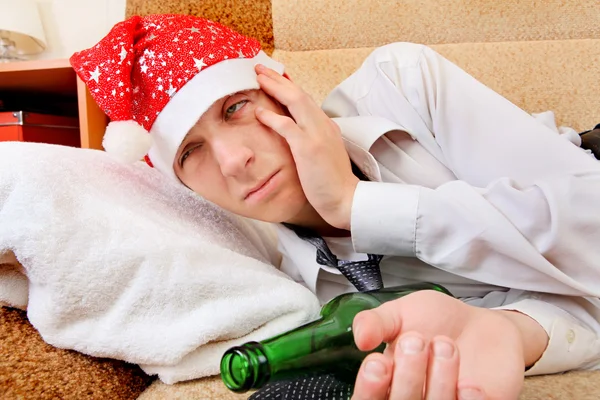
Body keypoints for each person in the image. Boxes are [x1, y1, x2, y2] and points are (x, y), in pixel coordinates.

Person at [71, 14, 600, 400]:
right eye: (191, 152)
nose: (234, 160)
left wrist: (356, 205)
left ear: (283, 90)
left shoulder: (402, 81)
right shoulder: (271, 280)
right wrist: (513, 331)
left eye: (236, 109)